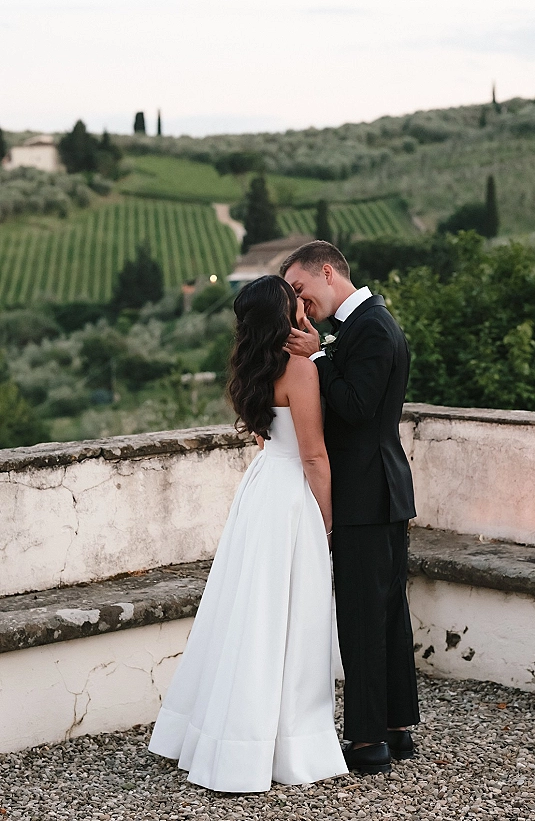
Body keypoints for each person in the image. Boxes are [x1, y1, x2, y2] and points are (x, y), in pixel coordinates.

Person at [148, 275, 348, 792]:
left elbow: (268, 439)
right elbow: (313, 454)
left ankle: (229, 737)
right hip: (290, 498)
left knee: (248, 611)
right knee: (290, 616)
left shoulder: (250, 367)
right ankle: (286, 744)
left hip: (260, 488)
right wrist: (327, 520)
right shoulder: (299, 369)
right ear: (283, 316)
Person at [281, 241, 420, 775]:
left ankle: (367, 743)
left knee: (364, 619)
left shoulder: (372, 327)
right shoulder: (366, 323)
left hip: (366, 493)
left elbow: (358, 408)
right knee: (386, 616)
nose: (300, 300)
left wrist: (316, 356)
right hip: (380, 489)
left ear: (326, 271)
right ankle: (395, 730)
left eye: (300, 288)